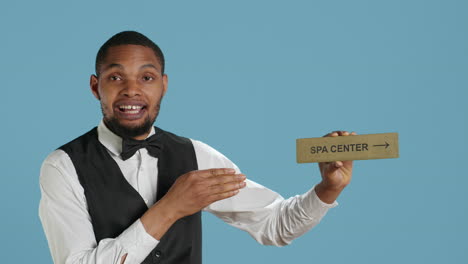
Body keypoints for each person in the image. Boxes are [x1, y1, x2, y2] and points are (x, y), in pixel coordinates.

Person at [39, 31, 355, 264]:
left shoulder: (194, 155)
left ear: (163, 85)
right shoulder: (63, 166)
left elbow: (274, 224)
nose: (132, 90)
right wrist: (169, 208)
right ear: (97, 87)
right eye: (116, 77)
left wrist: (328, 189)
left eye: (146, 77)